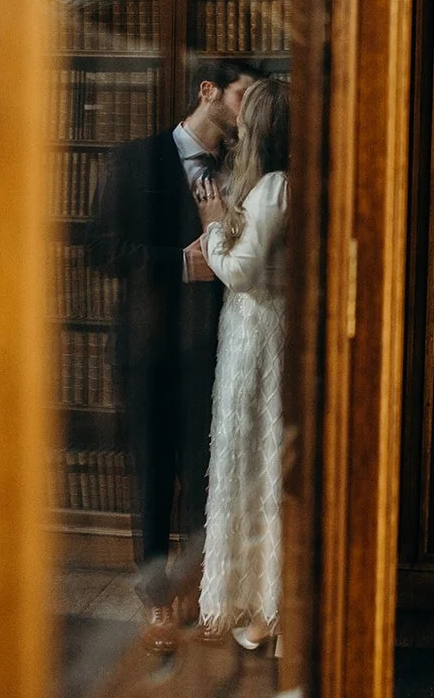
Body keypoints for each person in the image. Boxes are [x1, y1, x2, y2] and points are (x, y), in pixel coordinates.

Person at [85, 59, 261, 649]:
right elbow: (102, 249)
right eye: (242, 96)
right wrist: (175, 264)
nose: (246, 111)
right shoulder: (134, 158)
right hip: (150, 348)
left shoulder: (244, 171)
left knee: (207, 473)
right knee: (155, 477)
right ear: (208, 92)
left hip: (219, 349)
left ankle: (198, 590)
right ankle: (157, 603)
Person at [193, 78, 290, 651]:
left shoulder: (276, 186)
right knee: (255, 463)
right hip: (253, 336)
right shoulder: (272, 186)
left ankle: (269, 609)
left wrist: (210, 225)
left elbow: (240, 273)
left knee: (260, 465)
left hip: (261, 340)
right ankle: (261, 602)